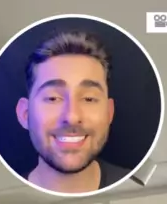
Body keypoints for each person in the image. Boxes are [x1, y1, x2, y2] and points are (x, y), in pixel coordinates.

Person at [15, 29, 130, 194]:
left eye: (89, 99)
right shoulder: (1, 199)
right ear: (25, 114)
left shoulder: (137, 191)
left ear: (109, 113)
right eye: (53, 98)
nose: (72, 117)